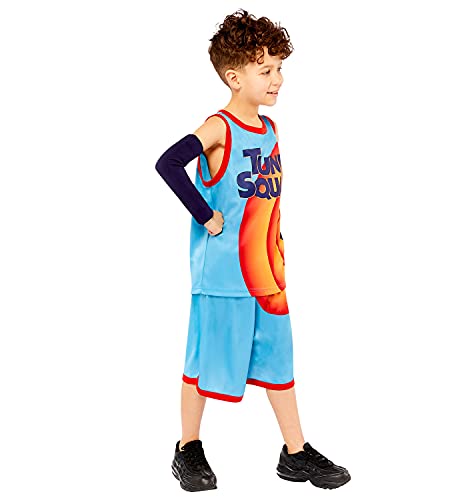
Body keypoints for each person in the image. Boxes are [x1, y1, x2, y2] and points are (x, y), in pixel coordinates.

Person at [155, 8, 351, 492]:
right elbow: (168, 163)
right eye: (266, 70)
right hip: (222, 274)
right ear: (234, 77)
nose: (277, 79)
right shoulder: (219, 127)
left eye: (279, 68)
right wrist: (205, 214)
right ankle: (187, 447)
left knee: (279, 359)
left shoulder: (271, 129)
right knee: (203, 359)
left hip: (268, 273)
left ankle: (295, 452)